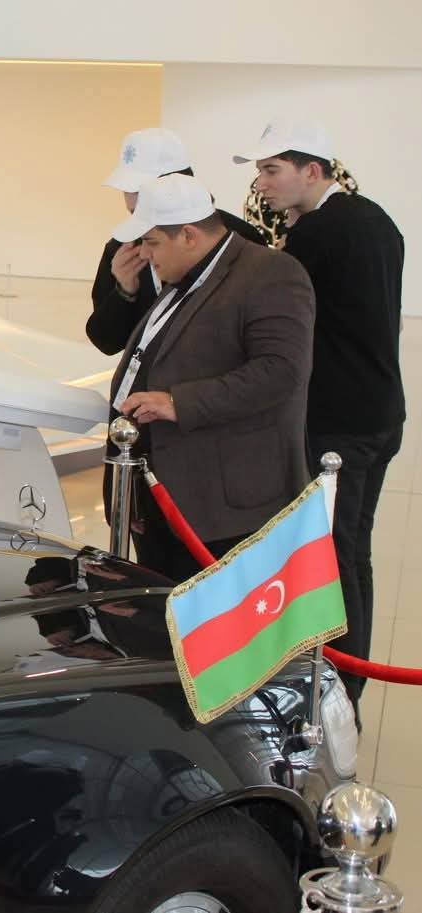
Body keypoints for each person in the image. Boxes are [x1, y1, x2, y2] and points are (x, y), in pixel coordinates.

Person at [235, 118, 407, 706]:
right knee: (353, 549)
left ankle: (341, 687)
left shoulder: (317, 233)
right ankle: (349, 677)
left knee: (337, 554)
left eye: (272, 170)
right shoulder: (375, 218)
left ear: (312, 170)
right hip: (380, 410)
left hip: (341, 422)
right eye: (260, 171)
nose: (262, 183)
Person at [105, 174, 315, 581]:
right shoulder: (183, 278)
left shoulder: (271, 273)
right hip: (162, 495)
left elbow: (281, 371)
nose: (145, 254)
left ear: (188, 235)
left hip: (224, 509)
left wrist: (177, 402)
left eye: (151, 242)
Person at [89, 128, 265, 356]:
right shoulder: (123, 248)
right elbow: (105, 342)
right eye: (124, 188)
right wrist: (124, 293)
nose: (130, 200)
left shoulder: (239, 239)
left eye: (139, 189)